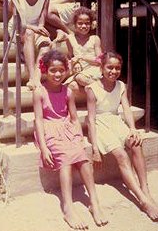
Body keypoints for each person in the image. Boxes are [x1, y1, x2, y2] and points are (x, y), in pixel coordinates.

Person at [86, 51, 158, 222]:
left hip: (116, 121)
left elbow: (127, 108)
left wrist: (133, 129)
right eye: (109, 67)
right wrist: (94, 149)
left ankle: (146, 191)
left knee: (136, 143)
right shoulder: (92, 89)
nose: (113, 71)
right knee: (121, 155)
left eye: (117, 68)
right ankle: (143, 201)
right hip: (101, 124)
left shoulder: (121, 85)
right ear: (101, 67)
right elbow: (91, 119)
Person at [34, 49, 108, 229]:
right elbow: (38, 120)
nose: (57, 74)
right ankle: (67, 206)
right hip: (49, 129)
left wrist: (79, 136)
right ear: (45, 70)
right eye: (53, 70)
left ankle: (94, 202)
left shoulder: (68, 91)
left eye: (61, 70)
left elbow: (74, 117)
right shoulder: (39, 92)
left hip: (67, 128)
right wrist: (44, 148)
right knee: (66, 159)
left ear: (66, 70)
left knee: (82, 158)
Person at [15, 0, 51, 90]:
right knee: (29, 34)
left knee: (46, 42)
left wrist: (40, 28)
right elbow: (18, 21)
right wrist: (34, 28)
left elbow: (42, 18)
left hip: (35, 27)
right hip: (19, 28)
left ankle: (37, 77)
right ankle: (31, 76)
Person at [62, 7, 102, 93]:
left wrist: (81, 57)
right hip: (79, 71)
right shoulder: (70, 39)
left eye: (87, 23)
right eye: (80, 23)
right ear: (75, 24)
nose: (83, 26)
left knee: (80, 78)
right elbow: (71, 56)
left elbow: (100, 61)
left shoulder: (94, 39)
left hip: (93, 70)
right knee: (72, 86)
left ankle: (102, 90)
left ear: (91, 24)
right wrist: (75, 63)